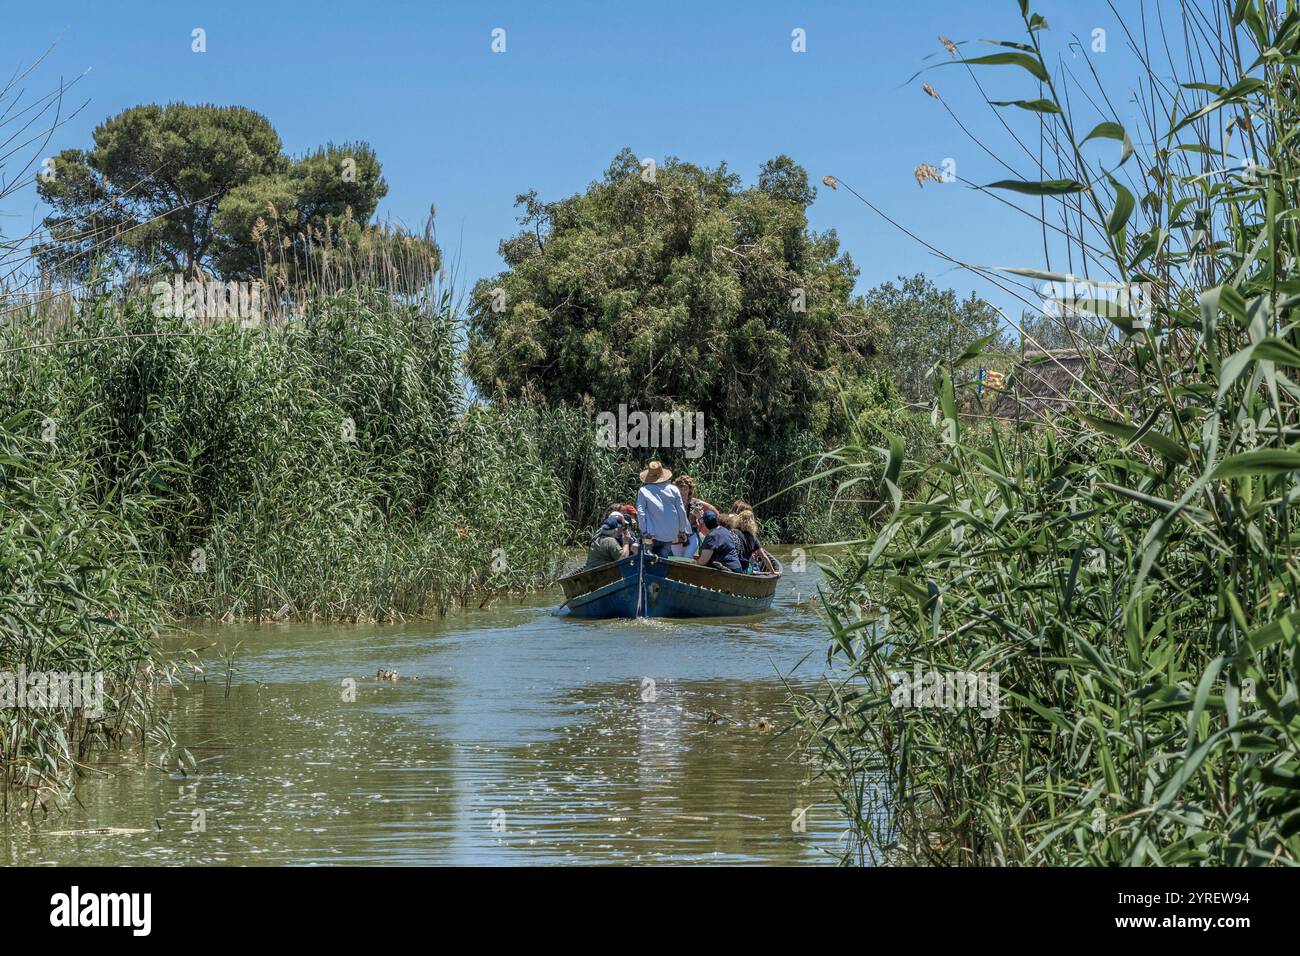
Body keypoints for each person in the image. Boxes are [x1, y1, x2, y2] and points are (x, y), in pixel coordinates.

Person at [636, 460, 691, 559]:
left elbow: (641, 512)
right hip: (670, 534)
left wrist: (644, 531)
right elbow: (681, 511)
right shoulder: (673, 489)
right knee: (663, 558)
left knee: (647, 560)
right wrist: (682, 530)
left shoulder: (644, 491)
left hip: (650, 533)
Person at [672, 475, 716, 559]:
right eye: (680, 489)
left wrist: (699, 516)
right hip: (677, 537)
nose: (683, 491)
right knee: (677, 559)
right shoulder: (672, 503)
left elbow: (702, 522)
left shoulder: (695, 503)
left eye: (685, 489)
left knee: (687, 557)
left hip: (691, 535)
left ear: (690, 490)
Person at [732, 507, 765, 572]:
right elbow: (764, 556)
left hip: (732, 565)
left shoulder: (734, 531)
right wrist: (773, 571)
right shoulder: (753, 538)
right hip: (744, 569)